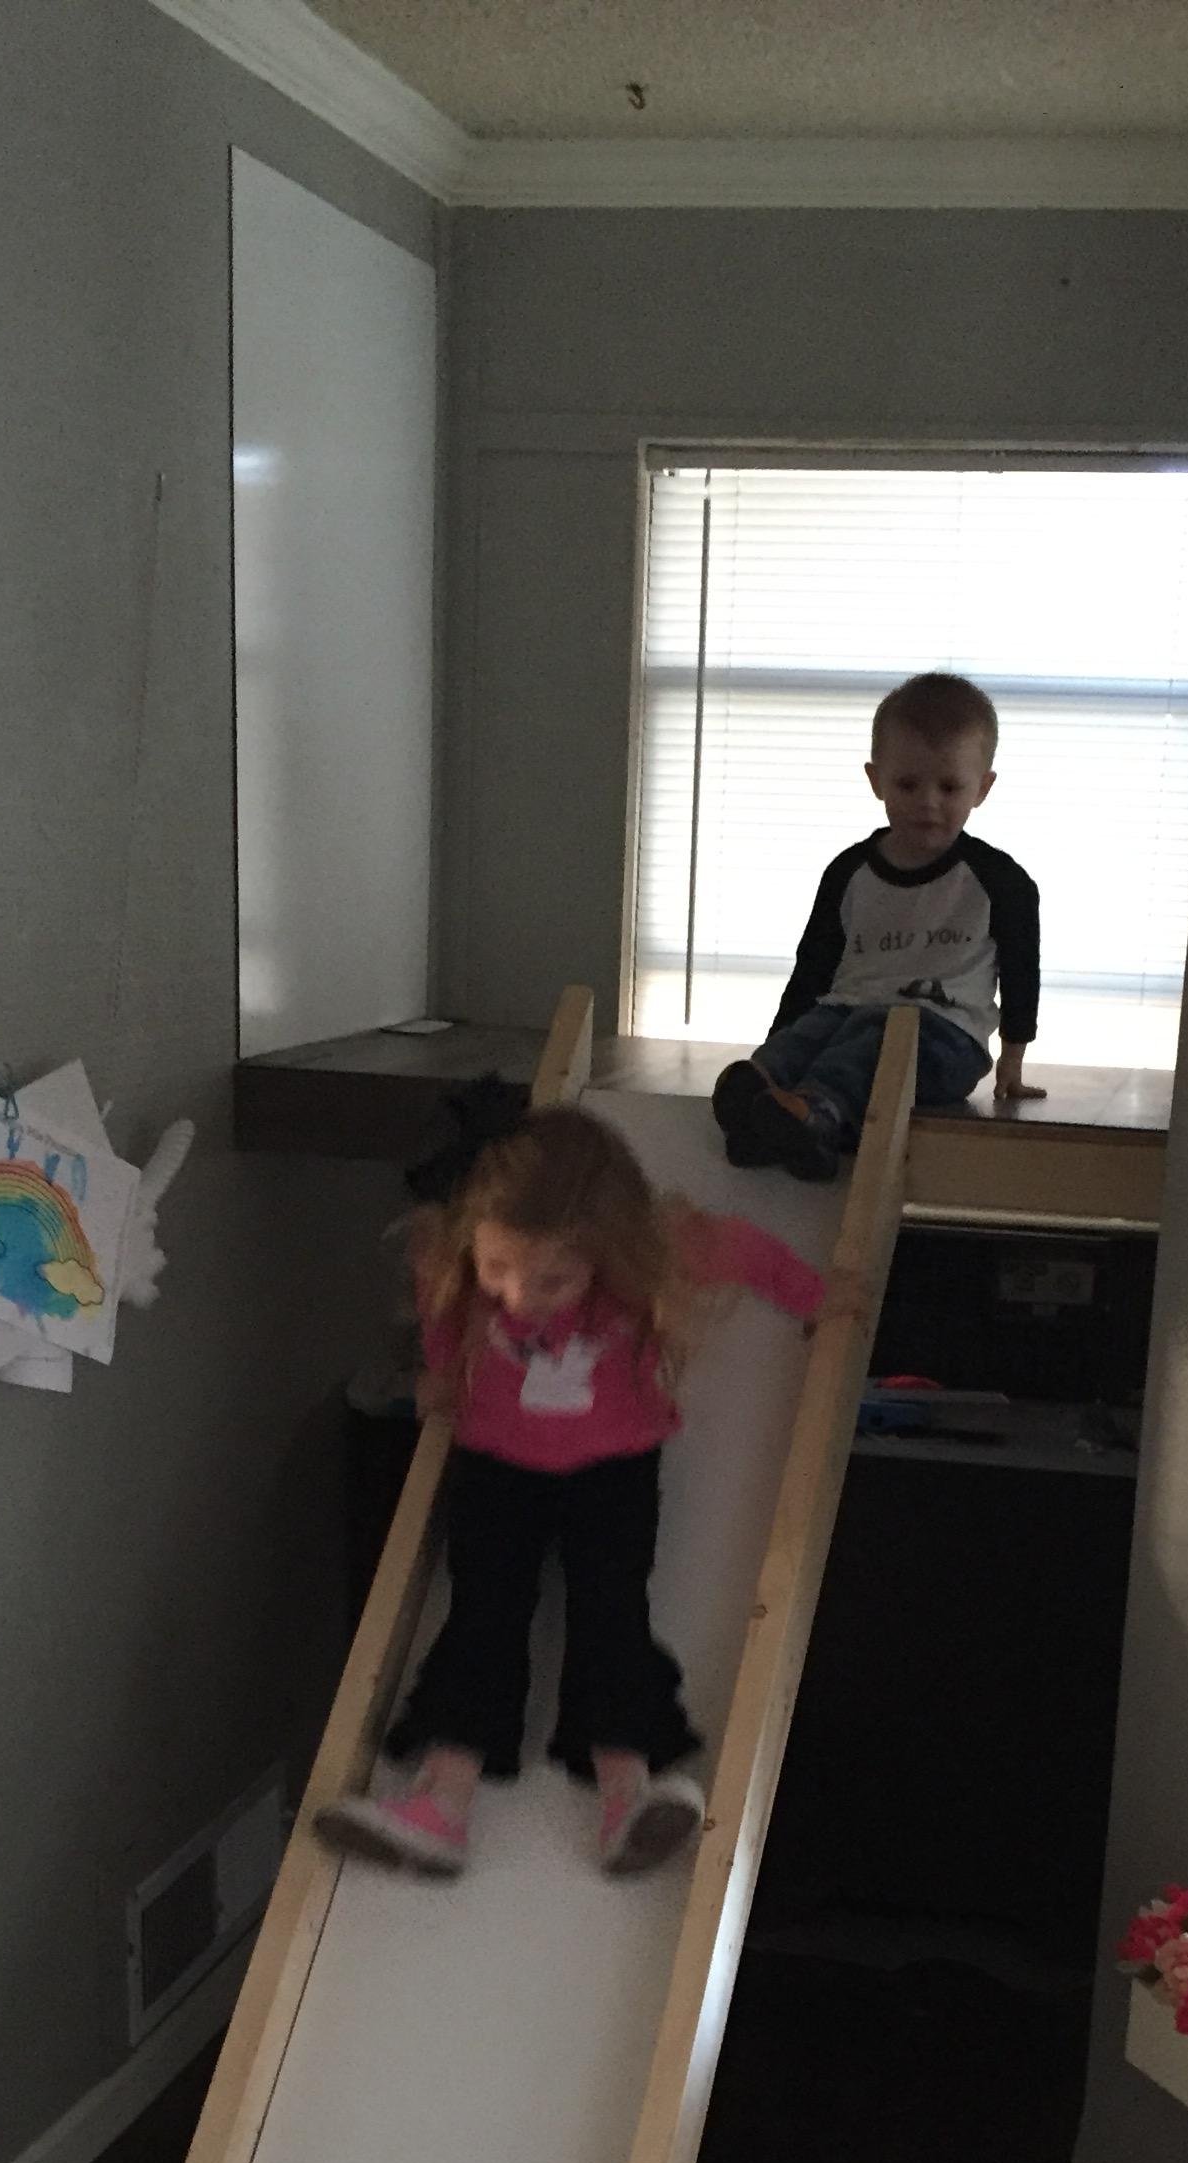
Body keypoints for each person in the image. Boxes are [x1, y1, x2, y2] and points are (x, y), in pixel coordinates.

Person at [314, 1105, 825, 1879]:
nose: (521, 1297)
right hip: (497, 1464)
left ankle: (628, 1793)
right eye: (500, 1271)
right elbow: (445, 1308)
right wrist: (445, 1374)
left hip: (614, 1468)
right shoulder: (455, 1264)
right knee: (483, 1612)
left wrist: (822, 1296)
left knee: (610, 1612)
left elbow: (744, 1251)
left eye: (552, 1278)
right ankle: (443, 1801)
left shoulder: (649, 1255)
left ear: (601, 1252)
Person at [711, 669, 1042, 1182]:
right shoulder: (850, 872)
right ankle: (759, 1096)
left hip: (945, 1039)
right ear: (875, 780)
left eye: (949, 786)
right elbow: (814, 968)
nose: (928, 802)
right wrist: (782, 1039)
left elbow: (1023, 969)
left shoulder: (999, 880)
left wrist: (1012, 1060)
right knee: (817, 1031)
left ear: (982, 788)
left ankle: (816, 1115)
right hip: (850, 1010)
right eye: (908, 784)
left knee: (873, 1033)